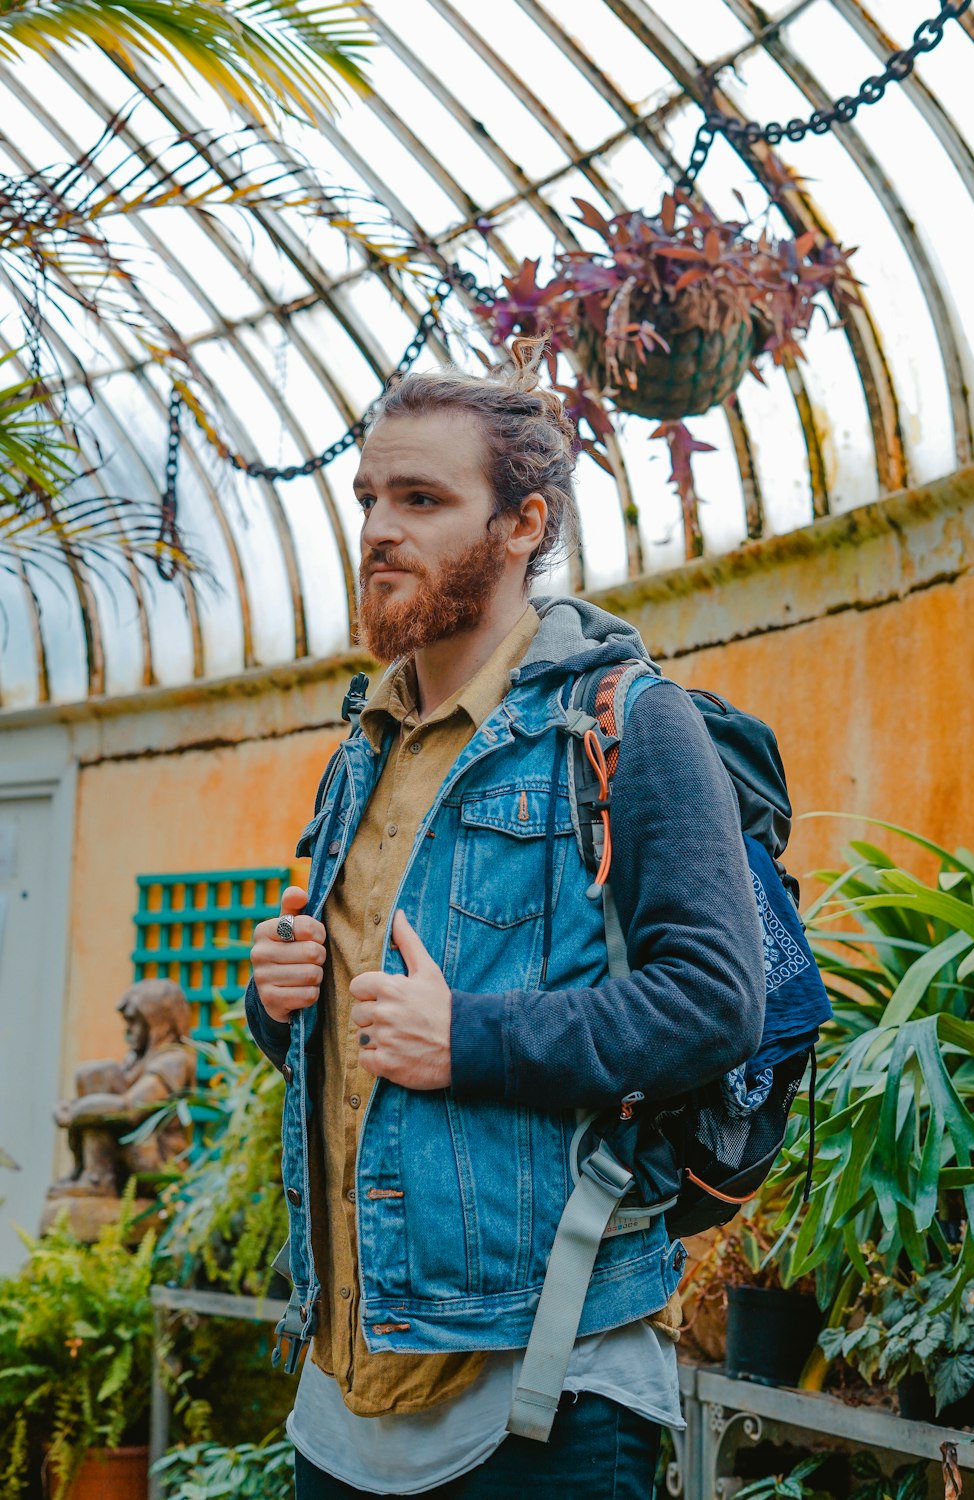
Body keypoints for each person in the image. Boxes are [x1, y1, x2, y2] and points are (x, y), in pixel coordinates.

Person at [245, 340, 766, 1498]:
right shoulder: (360, 749)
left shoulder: (630, 724)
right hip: (342, 1386)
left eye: (422, 499)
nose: (380, 528)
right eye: (370, 498)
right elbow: (346, 1053)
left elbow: (715, 1003)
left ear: (523, 525)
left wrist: (468, 1037)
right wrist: (278, 1000)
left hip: (545, 1389)